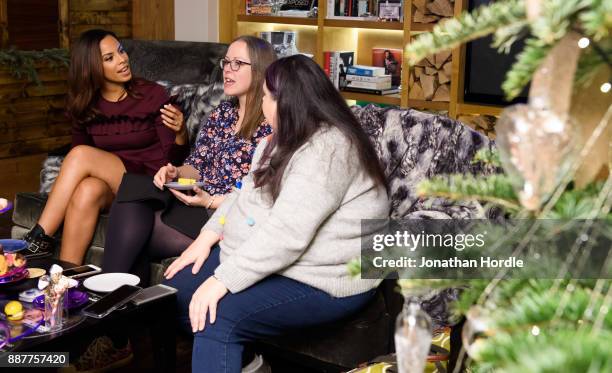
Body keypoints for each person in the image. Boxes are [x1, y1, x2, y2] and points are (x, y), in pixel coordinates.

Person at [164, 54, 390, 372]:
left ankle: (234, 352)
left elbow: (288, 234)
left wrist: (223, 280)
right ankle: (248, 363)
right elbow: (243, 195)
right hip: (282, 261)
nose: (262, 104)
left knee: (219, 317)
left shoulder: (330, 150)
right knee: (175, 291)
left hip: (325, 275)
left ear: (289, 102)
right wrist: (207, 236)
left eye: (267, 97)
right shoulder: (278, 140)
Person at [101, 36, 276, 284]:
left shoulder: (272, 123)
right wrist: (175, 171)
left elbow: (262, 197)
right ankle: (116, 301)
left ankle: (108, 297)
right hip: (196, 198)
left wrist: (211, 201)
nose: (227, 69)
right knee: (134, 189)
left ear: (260, 70)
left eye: (238, 63)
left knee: (133, 233)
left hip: (224, 214)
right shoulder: (223, 112)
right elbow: (196, 166)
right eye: (226, 62)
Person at [22, 29, 189, 264]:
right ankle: (67, 277)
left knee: (80, 155)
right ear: (92, 67)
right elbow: (79, 167)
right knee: (87, 189)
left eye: (120, 51)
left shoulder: (153, 94)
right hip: (117, 190)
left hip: (152, 182)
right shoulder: (86, 105)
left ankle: (38, 239)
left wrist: (181, 133)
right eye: (109, 58)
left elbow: (174, 163)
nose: (122, 60)